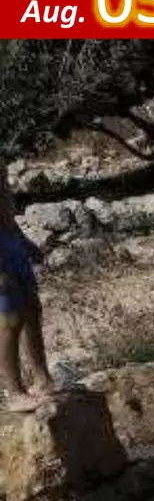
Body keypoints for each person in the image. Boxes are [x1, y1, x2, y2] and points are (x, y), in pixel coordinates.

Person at [0, 167, 55, 413]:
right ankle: (14, 392)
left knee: (32, 310)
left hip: (13, 249)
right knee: (9, 322)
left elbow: (6, 214)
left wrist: (25, 242)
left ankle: (42, 378)